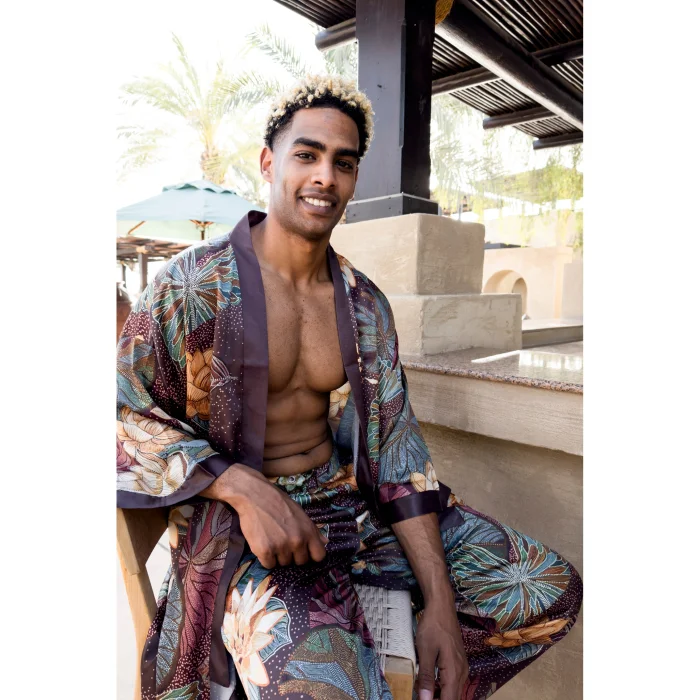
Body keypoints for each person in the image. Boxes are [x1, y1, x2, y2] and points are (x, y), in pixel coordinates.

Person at [117, 75, 582, 700]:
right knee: (328, 686)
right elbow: (119, 414)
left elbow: (397, 457)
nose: (324, 177)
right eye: (307, 154)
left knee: (546, 590)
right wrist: (240, 486)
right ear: (268, 163)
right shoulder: (190, 285)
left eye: (343, 162)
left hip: (350, 512)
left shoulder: (365, 306)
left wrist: (442, 607)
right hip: (246, 535)